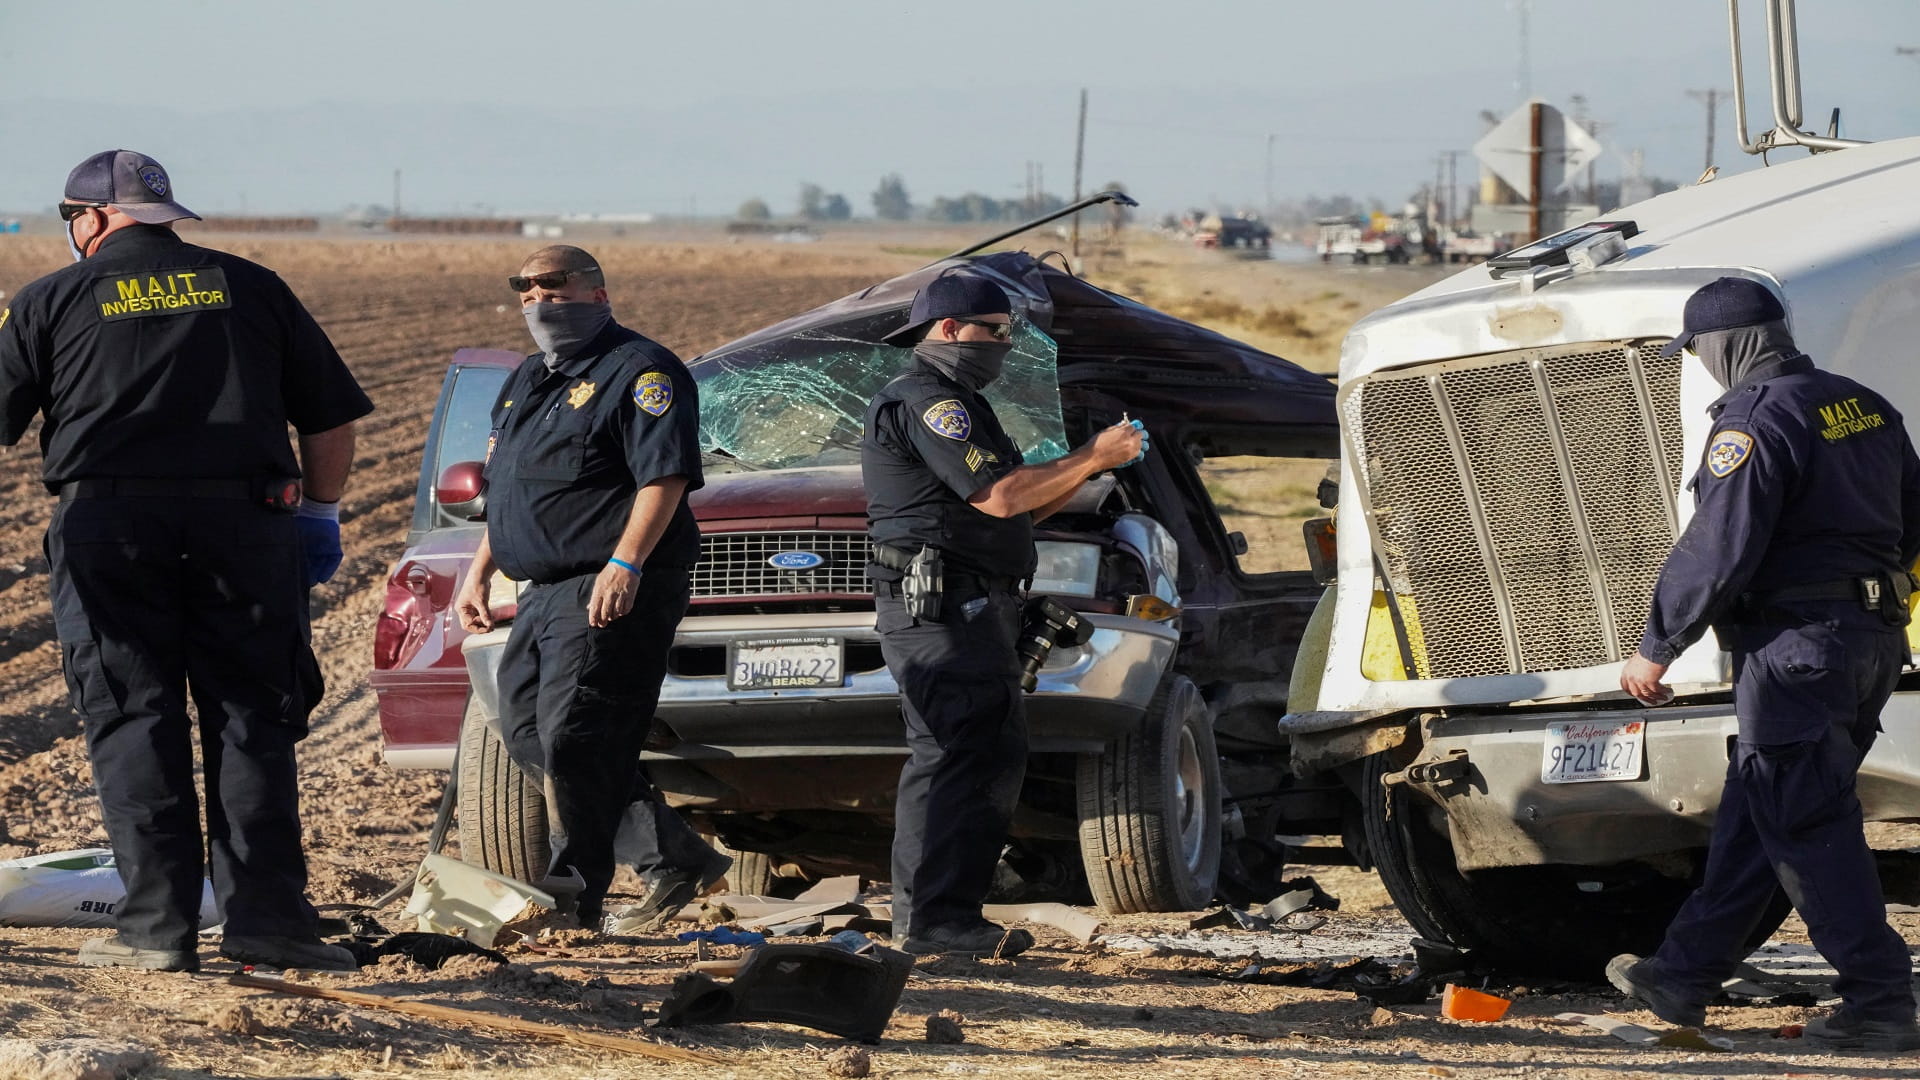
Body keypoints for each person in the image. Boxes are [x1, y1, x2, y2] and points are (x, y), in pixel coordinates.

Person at [0, 150, 374, 972]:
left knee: (134, 715)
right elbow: (329, 418)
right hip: (246, 527)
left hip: (109, 524)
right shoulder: (253, 286)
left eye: (73, 221)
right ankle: (267, 926)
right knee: (250, 718)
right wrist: (319, 514)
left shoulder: (50, 300)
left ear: (91, 219)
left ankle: (157, 932)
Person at [1612, 276, 1920, 1050]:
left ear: (1727, 344)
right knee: (1767, 807)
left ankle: (1880, 999)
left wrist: (1658, 645)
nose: (1704, 367)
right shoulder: (1863, 403)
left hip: (1794, 652)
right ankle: (1683, 973)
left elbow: (1720, 546)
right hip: (1869, 640)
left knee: (1808, 822)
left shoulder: (1753, 421)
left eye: (1702, 352)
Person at [862, 271, 1146, 956]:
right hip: (942, 608)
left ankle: (949, 915)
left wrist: (1086, 474)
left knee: (986, 752)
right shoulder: (933, 402)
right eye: (995, 332)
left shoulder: (958, 399)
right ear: (952, 330)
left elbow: (1018, 506)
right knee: (956, 753)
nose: (1003, 346)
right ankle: (931, 920)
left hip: (976, 601)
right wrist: (1092, 453)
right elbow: (997, 496)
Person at [455, 245, 727, 930]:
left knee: (576, 735)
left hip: (608, 583)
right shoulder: (526, 378)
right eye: (524, 288)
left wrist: (626, 563)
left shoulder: (641, 371)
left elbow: (662, 477)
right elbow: (509, 489)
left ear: (598, 293)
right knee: (523, 729)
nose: (537, 299)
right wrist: (478, 570)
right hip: (541, 590)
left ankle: (575, 894)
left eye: (554, 285)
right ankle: (671, 855)